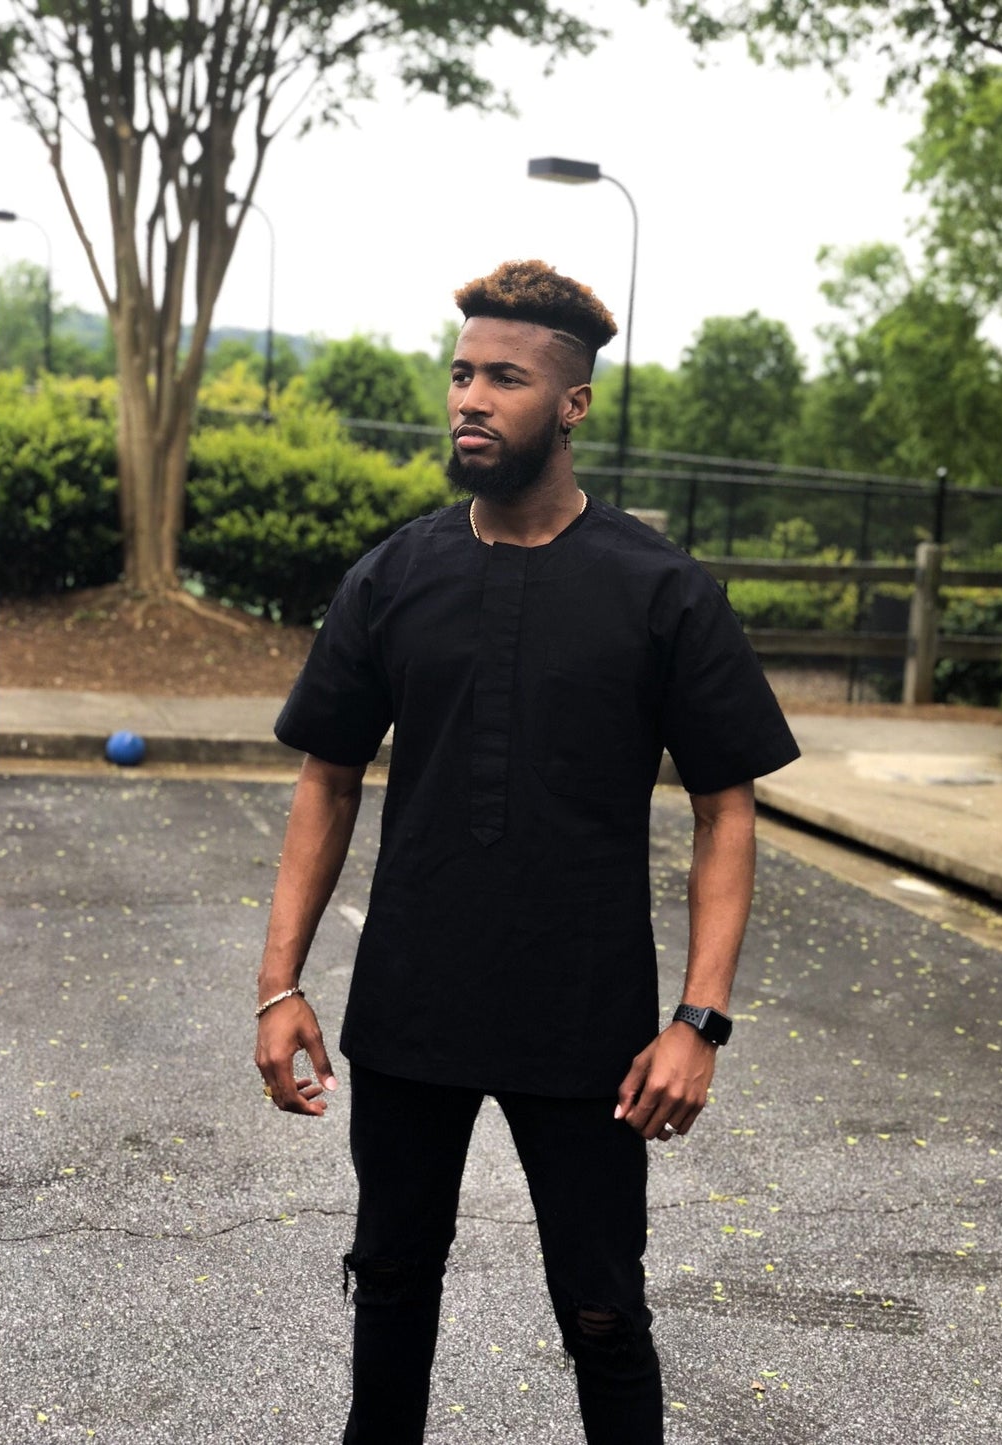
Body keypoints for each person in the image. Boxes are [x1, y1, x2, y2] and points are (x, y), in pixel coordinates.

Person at [254, 258, 800, 1444]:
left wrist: (698, 1021)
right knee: (389, 1280)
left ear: (570, 403)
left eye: (504, 377)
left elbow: (726, 808)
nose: (469, 397)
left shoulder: (662, 590)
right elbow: (327, 777)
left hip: (587, 1023)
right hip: (410, 1005)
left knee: (603, 1309)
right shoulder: (393, 576)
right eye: (460, 373)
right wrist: (278, 983)